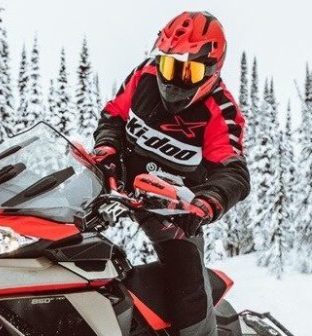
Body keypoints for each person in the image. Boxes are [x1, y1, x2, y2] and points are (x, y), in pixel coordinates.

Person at [90, 11, 250, 336]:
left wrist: (207, 202)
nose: (174, 79)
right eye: (169, 65)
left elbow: (233, 171)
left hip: (174, 210)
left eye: (187, 71)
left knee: (188, 292)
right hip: (116, 187)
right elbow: (113, 115)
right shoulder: (145, 75)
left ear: (211, 71)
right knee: (55, 237)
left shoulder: (220, 110)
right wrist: (106, 150)